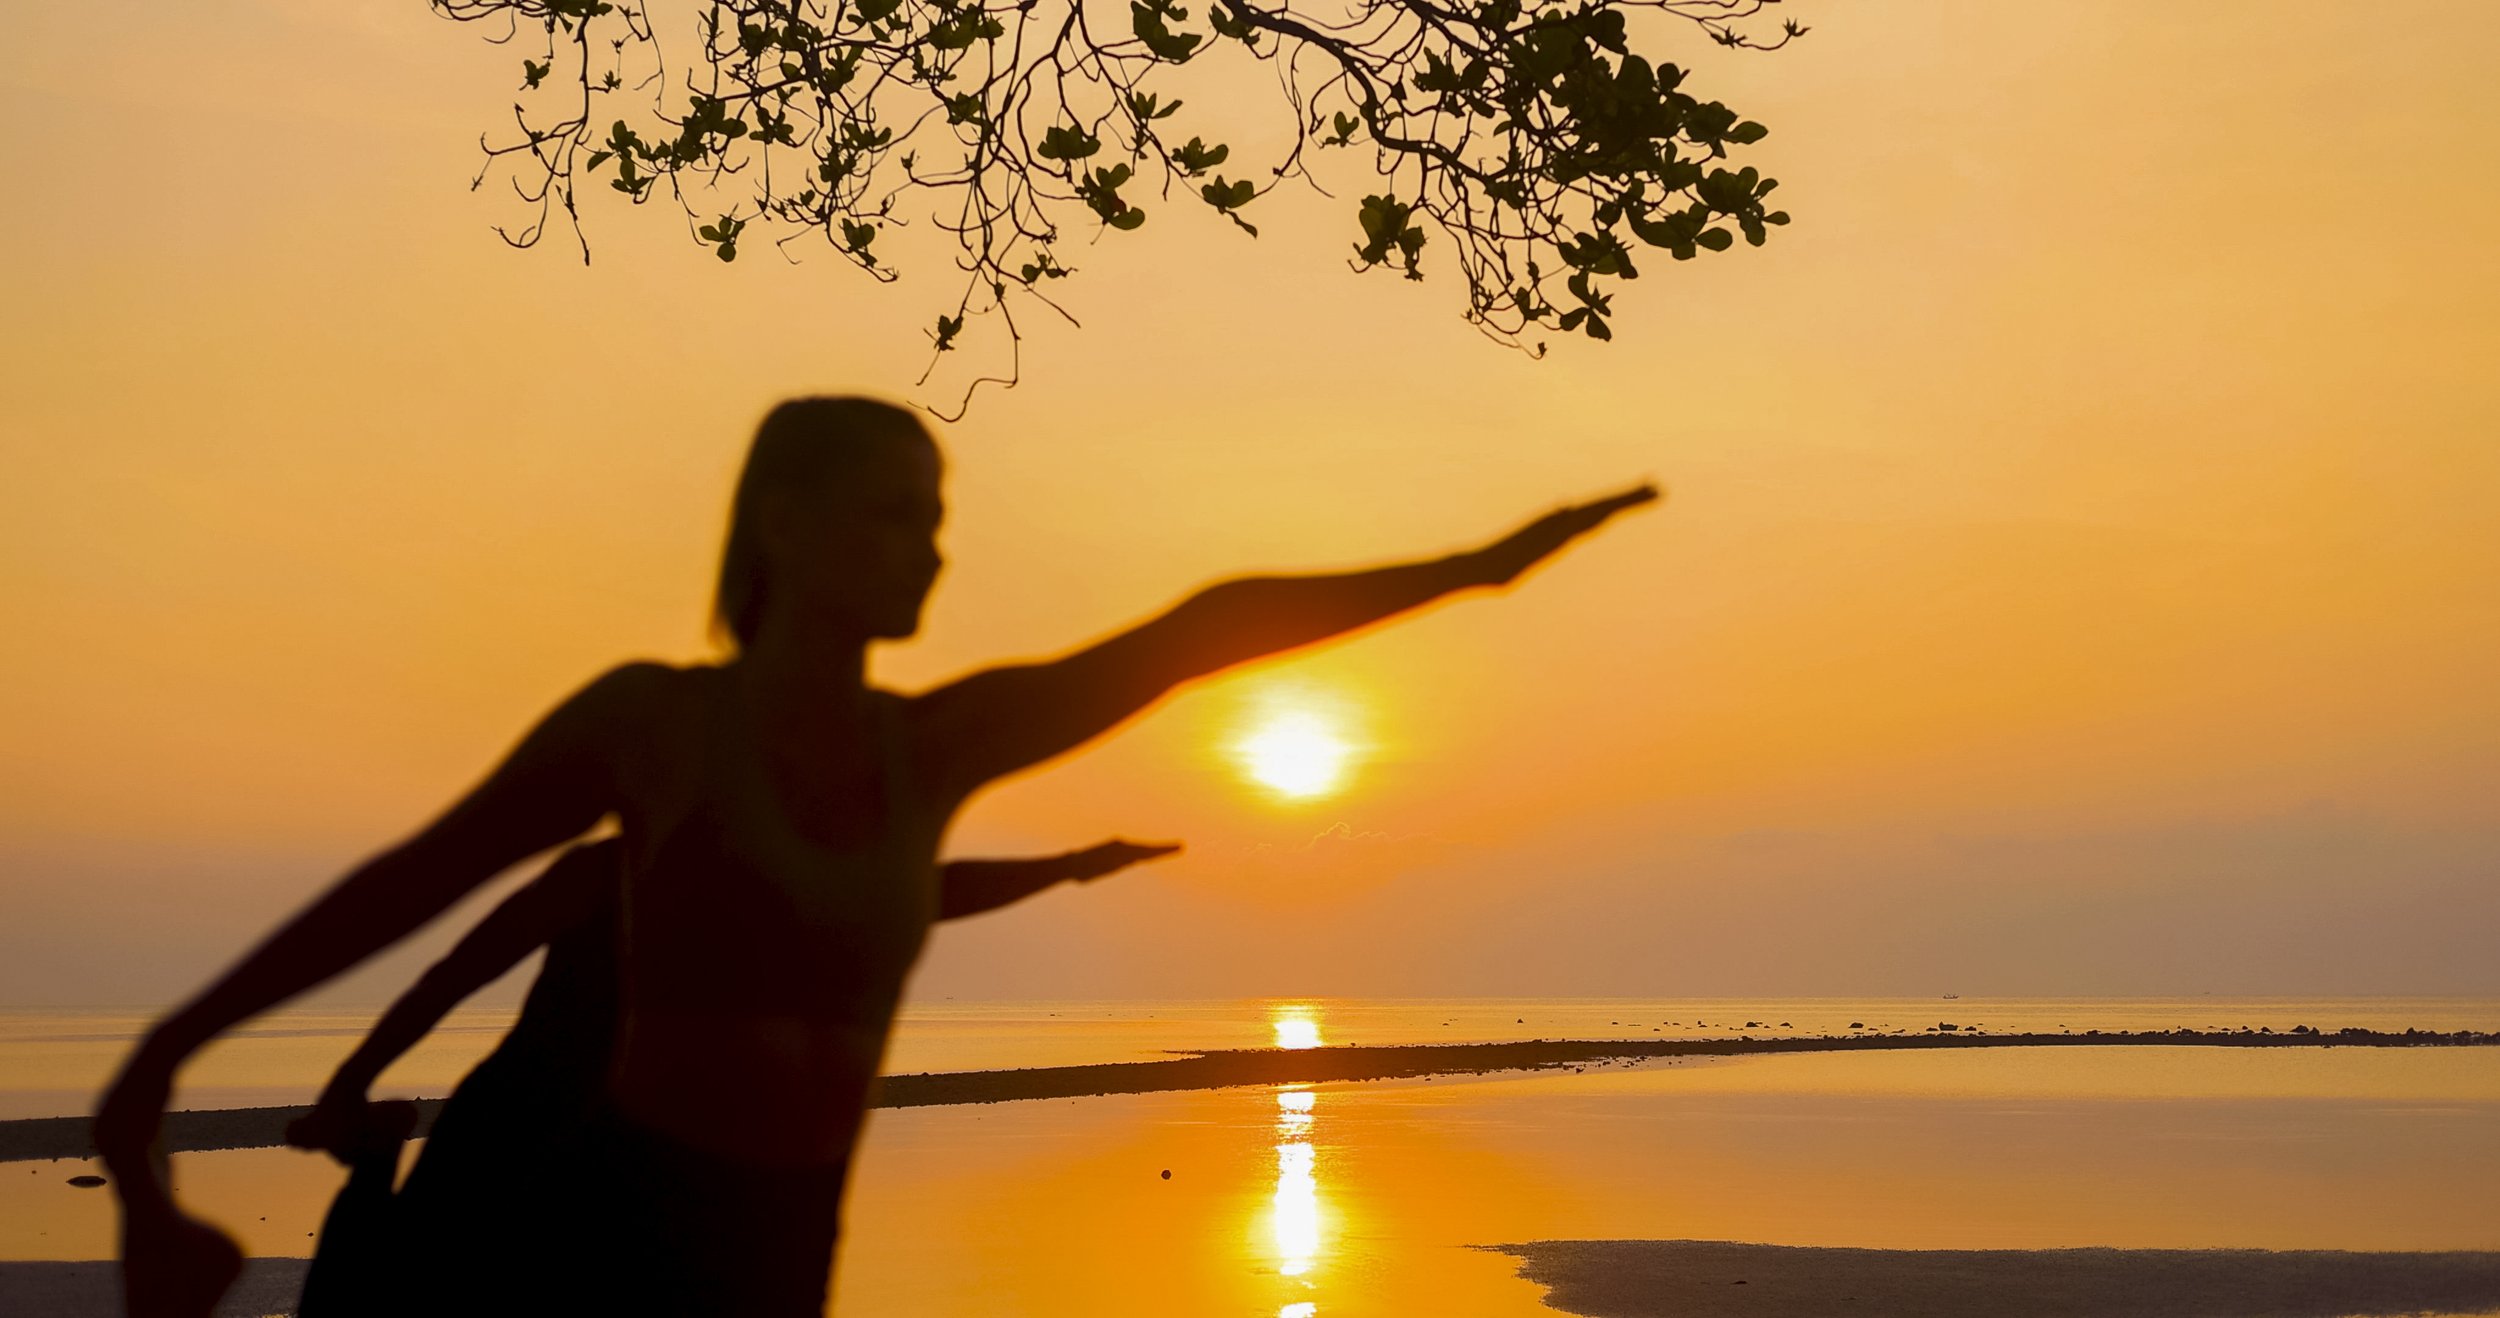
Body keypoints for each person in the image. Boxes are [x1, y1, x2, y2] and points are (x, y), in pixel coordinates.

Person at [95, 395, 1657, 1317]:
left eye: (936, 513)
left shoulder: (938, 745)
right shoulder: (656, 724)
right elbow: (421, 883)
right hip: (606, 1226)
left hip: (788, 1242)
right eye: (895, 514)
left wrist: (1479, 570)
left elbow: (1194, 631)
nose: (932, 545)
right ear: (780, 522)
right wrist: (165, 1052)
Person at [285, 835, 1176, 1316]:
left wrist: (1064, 868)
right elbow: (453, 975)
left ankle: (373, 1150)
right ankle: (372, 1150)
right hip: (515, 1114)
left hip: (619, 1150)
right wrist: (348, 1082)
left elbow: (926, 889)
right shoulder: (598, 875)